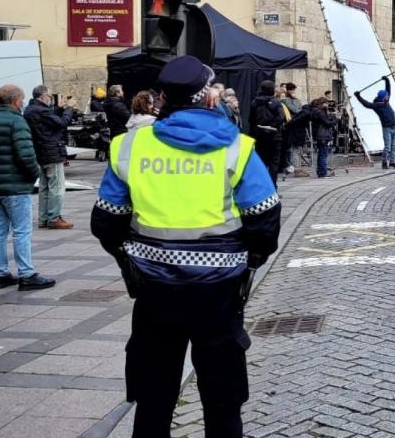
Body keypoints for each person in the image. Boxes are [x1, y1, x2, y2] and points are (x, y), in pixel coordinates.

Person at [90, 56, 281, 437]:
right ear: (208, 98)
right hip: (219, 290)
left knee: (154, 392)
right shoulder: (238, 148)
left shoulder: (131, 147)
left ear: (162, 98)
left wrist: (132, 258)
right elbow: (265, 221)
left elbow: (106, 222)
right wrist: (249, 260)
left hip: (154, 289)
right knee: (222, 394)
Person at [0, 85, 55, 290]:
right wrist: (33, 175)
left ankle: (1, 273)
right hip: (15, 185)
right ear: (15, 101)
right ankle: (27, 273)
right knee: (21, 230)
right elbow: (26, 155)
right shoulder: (17, 121)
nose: (22, 103)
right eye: (21, 100)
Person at [23, 85, 75, 230]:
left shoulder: (30, 110)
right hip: (52, 152)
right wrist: (69, 109)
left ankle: (44, 218)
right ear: (43, 96)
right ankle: (54, 218)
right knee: (56, 187)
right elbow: (62, 123)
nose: (51, 99)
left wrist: (59, 109)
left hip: (40, 152)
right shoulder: (42, 110)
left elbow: (49, 122)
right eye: (50, 96)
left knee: (44, 187)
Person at [355, 77, 395, 169]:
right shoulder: (377, 106)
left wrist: (387, 80)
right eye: (386, 96)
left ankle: (392, 162)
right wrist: (358, 96)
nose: (388, 96)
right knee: (387, 147)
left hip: (394, 127)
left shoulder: (386, 101)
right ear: (383, 97)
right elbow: (366, 104)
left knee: (393, 147)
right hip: (387, 128)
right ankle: (384, 162)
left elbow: (388, 89)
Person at [249, 81, 286, 184]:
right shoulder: (276, 102)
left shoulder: (254, 102)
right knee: (274, 163)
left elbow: (251, 120)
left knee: (261, 162)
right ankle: (272, 188)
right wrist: (272, 126)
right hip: (274, 136)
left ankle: (262, 188)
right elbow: (281, 117)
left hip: (259, 136)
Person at [310, 97, 338, 178]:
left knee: (321, 154)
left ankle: (320, 172)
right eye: (326, 103)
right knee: (323, 155)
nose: (327, 105)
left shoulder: (317, 111)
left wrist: (331, 116)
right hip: (323, 135)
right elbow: (327, 123)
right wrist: (336, 120)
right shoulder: (320, 112)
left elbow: (326, 120)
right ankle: (322, 172)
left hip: (320, 135)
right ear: (322, 103)